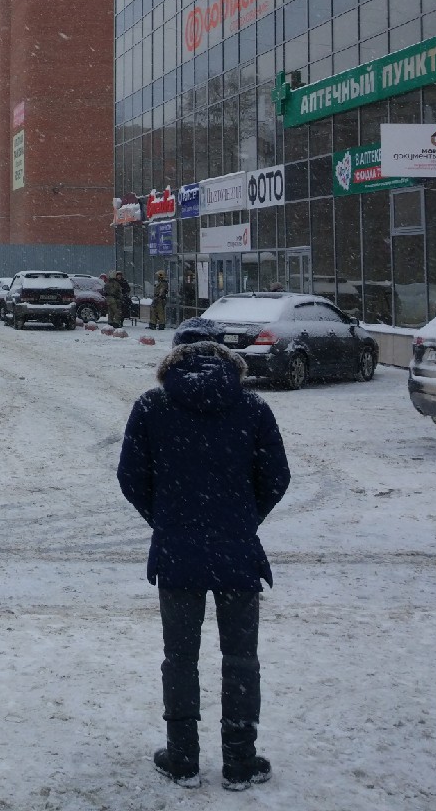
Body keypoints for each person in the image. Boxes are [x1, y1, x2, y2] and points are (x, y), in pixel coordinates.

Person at [117, 324, 290, 792]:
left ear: (174, 359)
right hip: (237, 552)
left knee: (179, 658)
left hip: (177, 553)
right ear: (224, 357)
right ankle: (239, 759)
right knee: (240, 658)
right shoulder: (252, 407)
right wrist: (242, 519)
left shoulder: (152, 407)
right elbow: (276, 476)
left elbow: (131, 476)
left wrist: (167, 518)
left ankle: (182, 758)